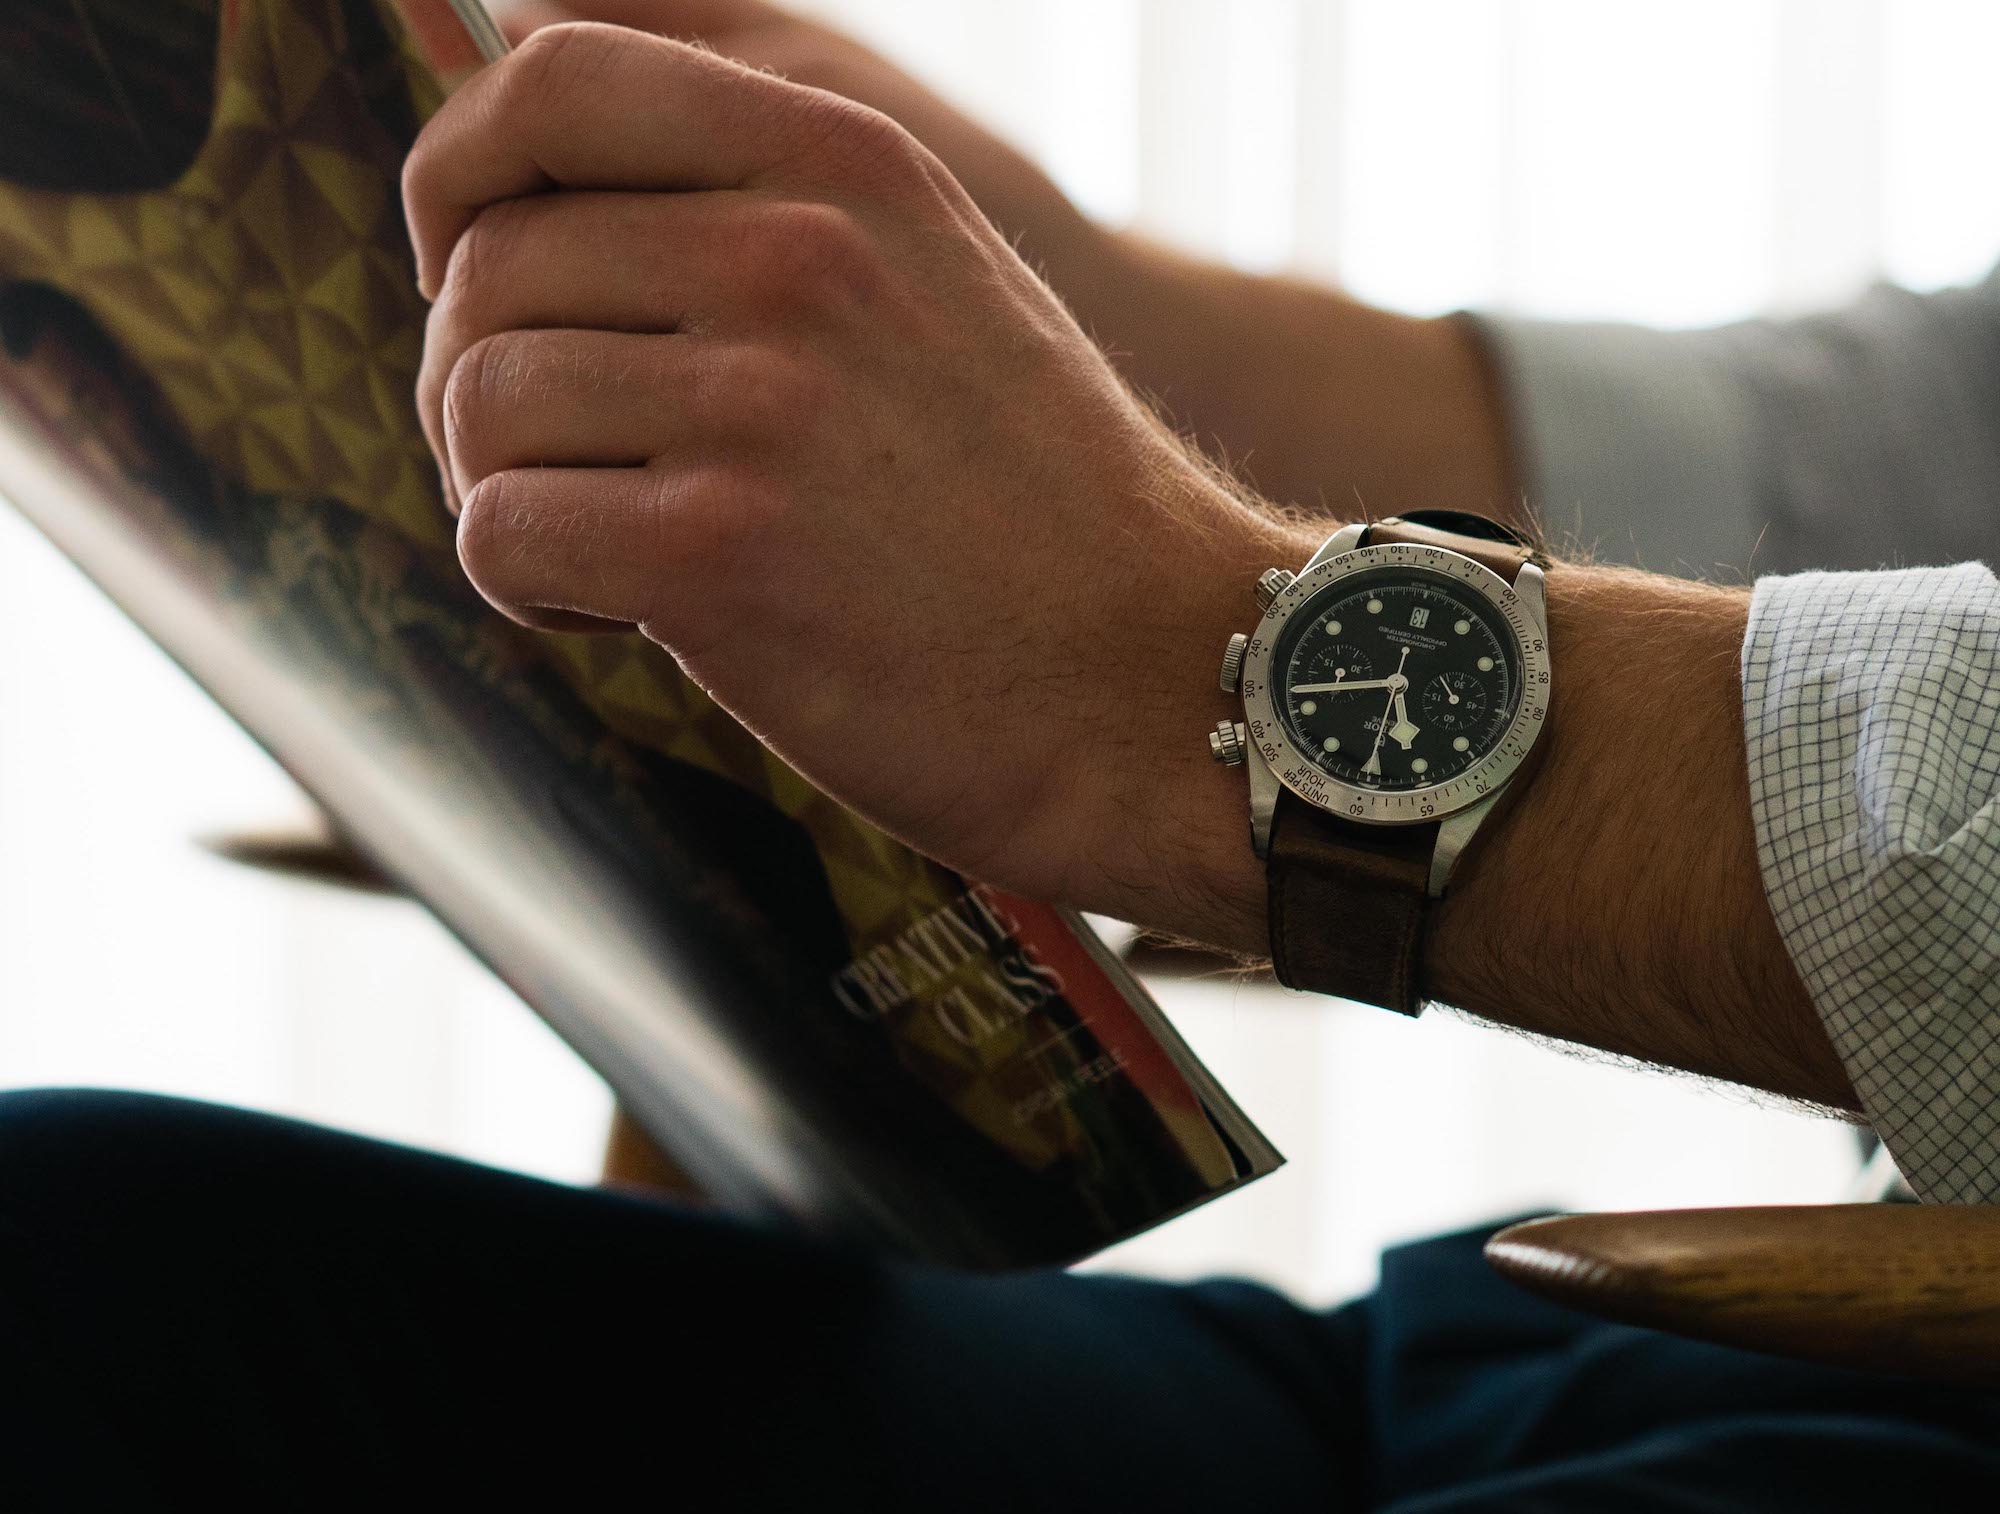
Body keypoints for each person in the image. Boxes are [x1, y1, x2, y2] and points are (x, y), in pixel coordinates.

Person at [3, 2, 1996, 1505]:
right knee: (73, 1264)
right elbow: (1841, 465)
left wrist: (1180, 656)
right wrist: (1034, 302)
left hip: (1875, 1368)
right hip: (1596, 1364)